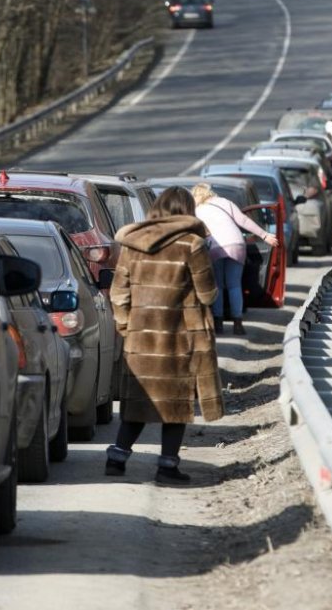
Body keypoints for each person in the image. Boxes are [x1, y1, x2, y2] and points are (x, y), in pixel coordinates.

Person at [107, 187, 222, 486]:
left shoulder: (132, 245)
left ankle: (117, 458)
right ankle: (167, 467)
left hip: (140, 339)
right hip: (178, 338)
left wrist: (127, 329)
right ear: (187, 210)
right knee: (175, 405)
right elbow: (207, 294)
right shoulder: (192, 245)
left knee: (138, 403)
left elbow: (118, 294)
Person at [191, 183, 278, 337]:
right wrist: (265, 235)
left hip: (215, 247)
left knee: (218, 285)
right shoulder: (225, 203)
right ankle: (238, 324)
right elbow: (243, 221)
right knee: (234, 285)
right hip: (236, 243)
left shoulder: (196, 210)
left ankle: (218, 324)